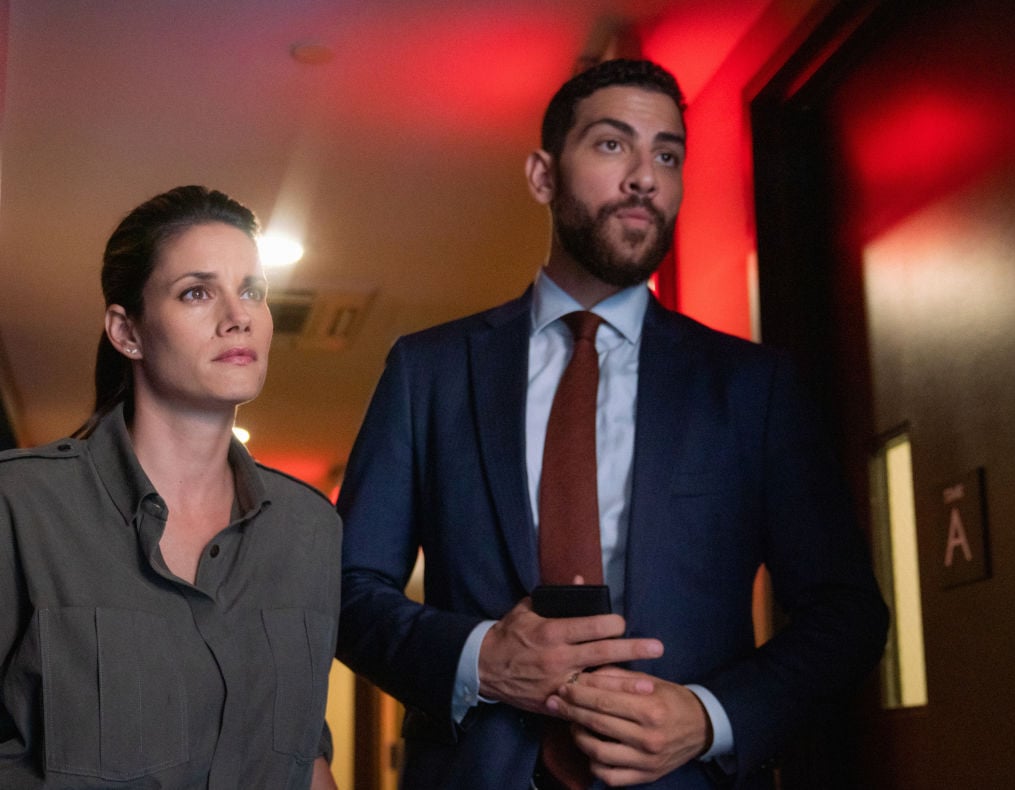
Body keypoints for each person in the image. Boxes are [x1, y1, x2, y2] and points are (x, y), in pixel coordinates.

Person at [336, 59, 888, 789]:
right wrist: (480, 660)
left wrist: (709, 716)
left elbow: (846, 612)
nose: (645, 177)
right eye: (611, 145)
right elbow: (346, 589)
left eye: (667, 154)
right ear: (542, 176)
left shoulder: (752, 388)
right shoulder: (429, 372)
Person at [0, 186, 341, 788]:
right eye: (196, 292)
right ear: (126, 332)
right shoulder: (21, 506)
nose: (238, 315)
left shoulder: (310, 528)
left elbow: (305, 756)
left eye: (252, 291)